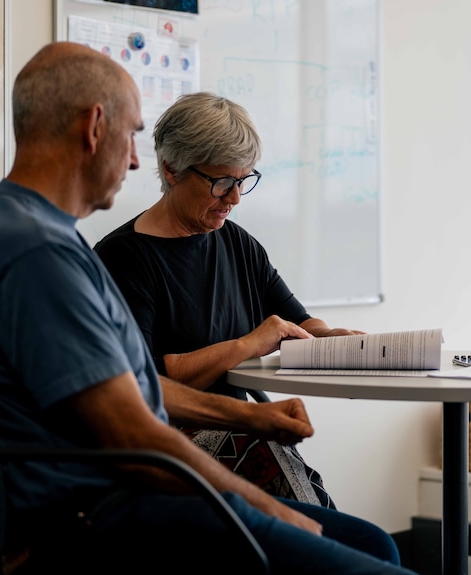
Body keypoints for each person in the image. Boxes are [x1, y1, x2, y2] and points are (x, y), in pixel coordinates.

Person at [0, 41, 417, 574]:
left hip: (116, 493)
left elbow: (138, 386)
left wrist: (250, 415)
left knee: (373, 546)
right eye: (132, 135)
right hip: (102, 511)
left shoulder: (36, 234)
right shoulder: (37, 255)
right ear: (95, 127)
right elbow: (133, 432)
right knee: (364, 559)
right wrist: (262, 507)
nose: (137, 159)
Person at [94, 91, 364, 509]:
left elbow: (296, 320)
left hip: (243, 439)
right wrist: (245, 345)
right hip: (166, 451)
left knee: (331, 522)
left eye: (244, 181)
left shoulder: (236, 244)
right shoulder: (123, 259)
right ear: (171, 170)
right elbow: (145, 385)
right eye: (222, 182)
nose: (235, 199)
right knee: (318, 525)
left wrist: (331, 336)